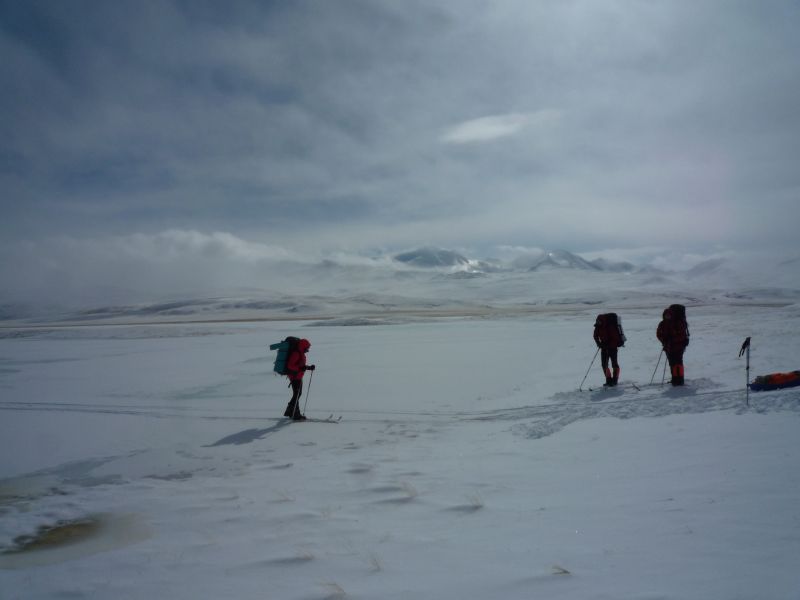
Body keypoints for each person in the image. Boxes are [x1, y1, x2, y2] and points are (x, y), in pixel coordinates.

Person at [656, 305, 689, 386]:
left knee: (677, 363)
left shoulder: (678, 323)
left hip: (678, 347)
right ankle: (674, 379)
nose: (667, 316)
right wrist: (664, 340)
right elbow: (658, 334)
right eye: (666, 315)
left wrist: (672, 340)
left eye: (669, 315)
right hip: (668, 347)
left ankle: (680, 380)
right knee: (672, 363)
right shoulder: (662, 324)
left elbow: (682, 335)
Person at [283, 338, 315, 420]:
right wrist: (300, 369)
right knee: (297, 394)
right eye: (307, 348)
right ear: (303, 346)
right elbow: (290, 365)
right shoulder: (296, 353)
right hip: (294, 377)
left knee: (297, 394)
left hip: (298, 376)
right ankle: (295, 413)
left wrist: (308, 367)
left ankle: (290, 411)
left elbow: (301, 365)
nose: (308, 350)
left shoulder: (301, 353)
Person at [593, 313, 625, 387]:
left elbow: (615, 337)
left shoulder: (609, 326)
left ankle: (615, 380)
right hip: (604, 347)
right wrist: (599, 343)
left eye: (599, 322)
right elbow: (595, 335)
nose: (598, 323)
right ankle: (608, 380)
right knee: (604, 364)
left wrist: (608, 344)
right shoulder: (598, 326)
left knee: (614, 363)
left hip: (612, 347)